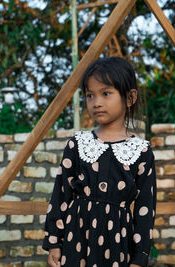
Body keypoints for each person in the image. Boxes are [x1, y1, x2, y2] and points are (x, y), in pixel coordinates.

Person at [42, 57, 157, 267]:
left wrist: (139, 259)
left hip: (117, 245)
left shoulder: (142, 152)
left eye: (106, 93)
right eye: (89, 95)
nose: (96, 102)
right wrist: (54, 243)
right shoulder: (77, 145)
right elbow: (60, 196)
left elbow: (145, 210)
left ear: (130, 98)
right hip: (75, 241)